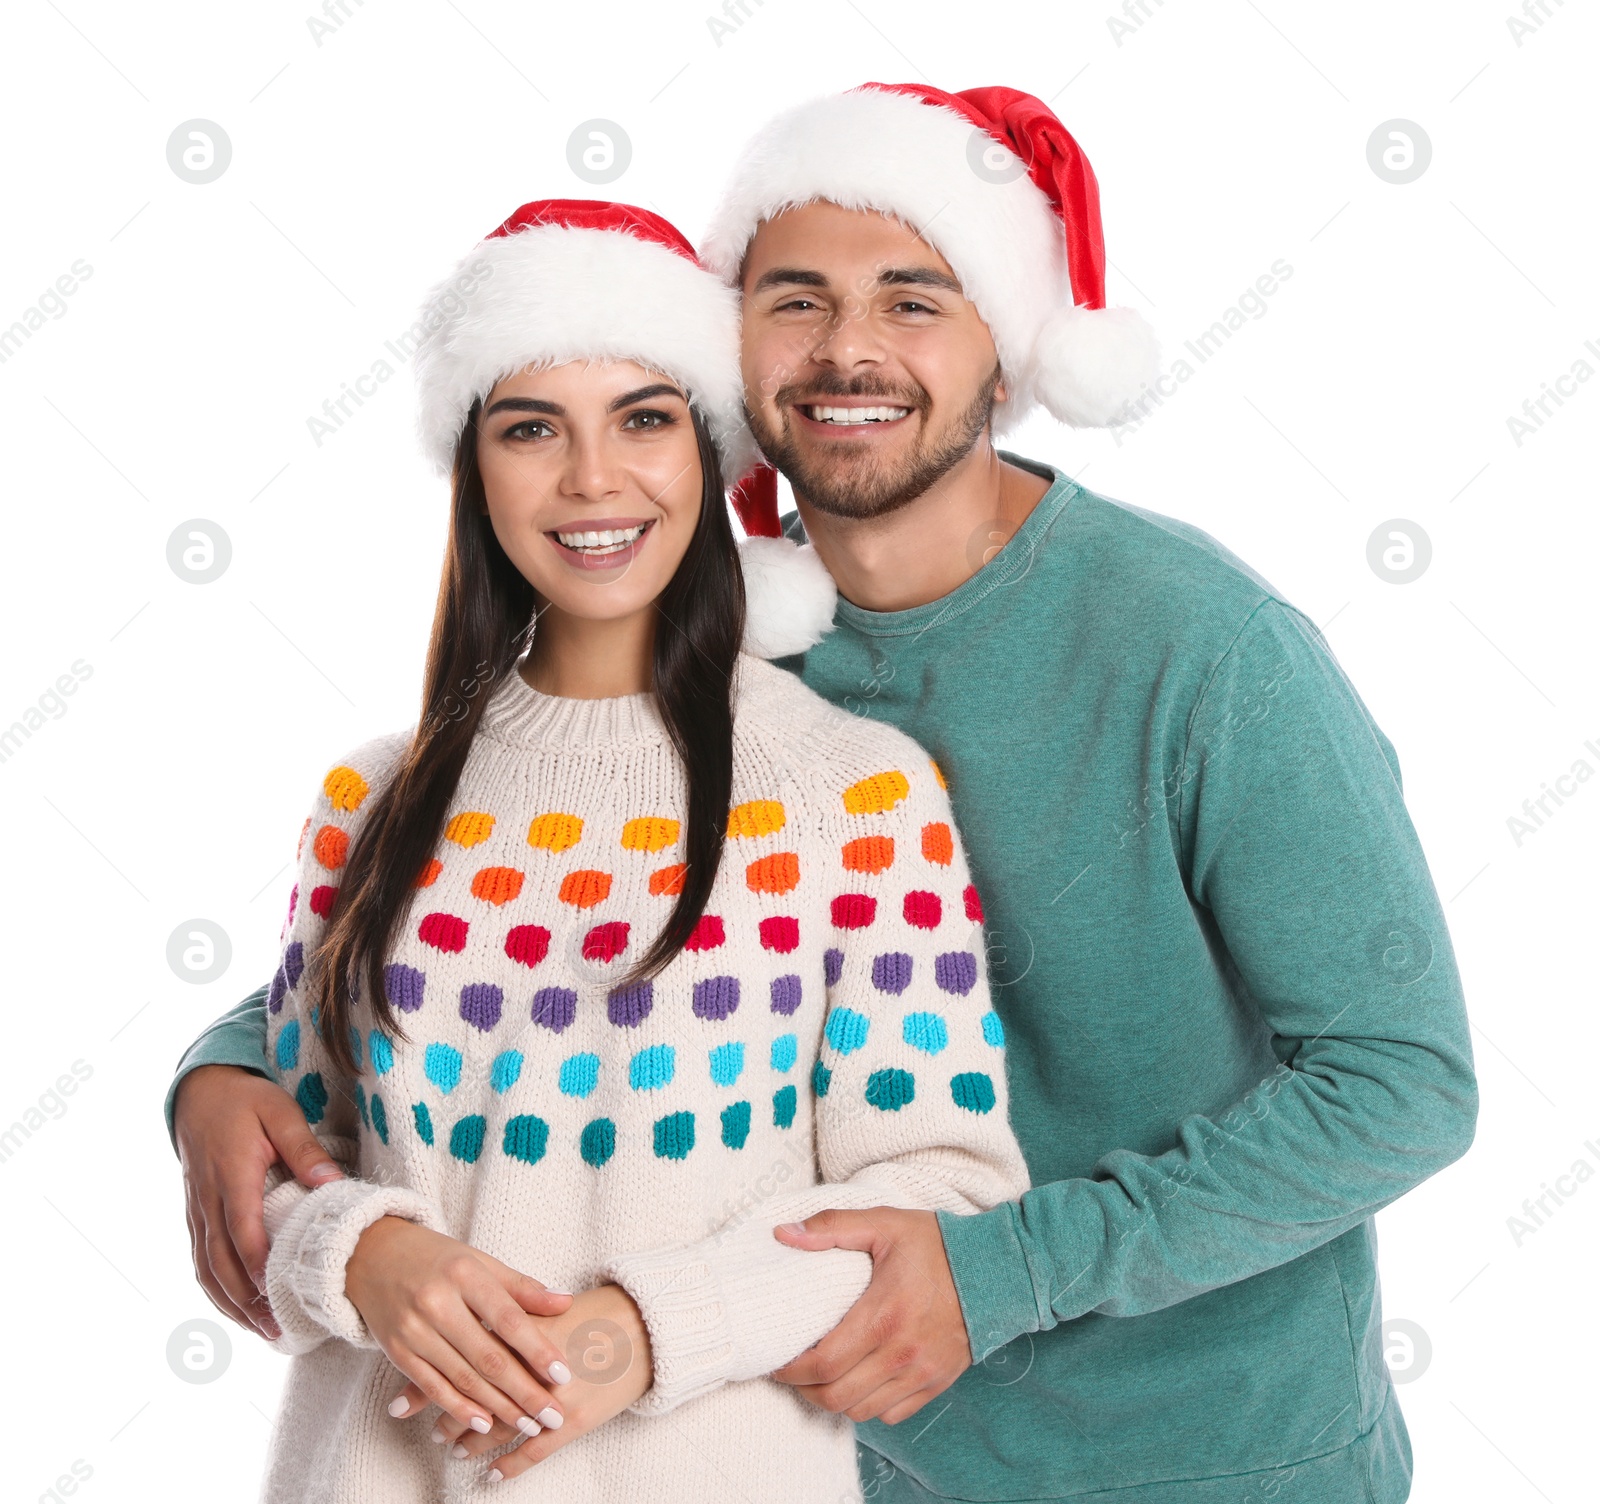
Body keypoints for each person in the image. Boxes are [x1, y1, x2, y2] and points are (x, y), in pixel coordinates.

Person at [170, 86, 1478, 1504]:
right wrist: (227, 1069)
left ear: (1007, 346)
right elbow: (501, 909)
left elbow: (1403, 1083)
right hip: (842, 1456)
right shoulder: (699, 632)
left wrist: (1003, 1273)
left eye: (915, 300)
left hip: (1205, 1461)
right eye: (797, 300)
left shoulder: (1204, 650)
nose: (850, 347)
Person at [198, 194, 1030, 1502]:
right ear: (476, 467)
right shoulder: (370, 802)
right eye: (533, 428)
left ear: (707, 449)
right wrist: (359, 1255)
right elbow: (284, 1167)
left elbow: (943, 1183)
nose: (593, 480)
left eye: (644, 418)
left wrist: (644, 1335)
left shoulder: (853, 793)